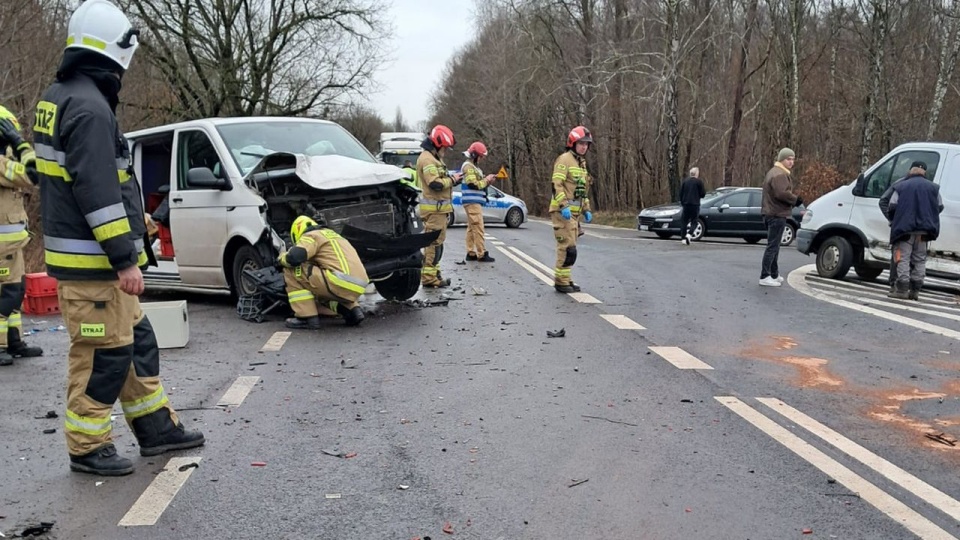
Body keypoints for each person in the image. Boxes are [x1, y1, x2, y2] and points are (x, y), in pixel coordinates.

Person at [34, 0, 204, 476]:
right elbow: (98, 194)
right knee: (102, 355)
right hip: (95, 268)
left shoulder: (64, 96)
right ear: (114, 51)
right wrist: (125, 257)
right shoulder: (88, 108)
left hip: (94, 264)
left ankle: (155, 428)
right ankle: (87, 446)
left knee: (136, 341)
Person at [0, 106, 44, 366]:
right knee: (6, 294)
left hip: (11, 243)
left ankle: (13, 339)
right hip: (2, 245)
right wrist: (21, 145)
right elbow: (32, 173)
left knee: (15, 292)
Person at [279, 216, 368, 328]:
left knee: (292, 269)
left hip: (338, 281)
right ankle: (353, 311)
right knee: (319, 290)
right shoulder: (334, 235)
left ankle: (306, 317)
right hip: (359, 285)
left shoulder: (311, 236)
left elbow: (295, 257)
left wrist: (282, 257)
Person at [882, 161, 944, 300]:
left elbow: (891, 206)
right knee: (920, 259)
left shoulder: (900, 186)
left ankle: (902, 289)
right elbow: (939, 206)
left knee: (902, 258)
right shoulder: (933, 188)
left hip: (904, 230)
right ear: (924, 173)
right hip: (924, 231)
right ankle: (915, 290)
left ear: (911, 170)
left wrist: (894, 221)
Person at [417, 125, 462, 288]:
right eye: (445, 147)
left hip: (439, 210)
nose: (446, 150)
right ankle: (429, 277)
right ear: (437, 144)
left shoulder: (434, 158)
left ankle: (434, 274)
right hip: (434, 211)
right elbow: (435, 183)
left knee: (438, 244)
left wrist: (452, 178)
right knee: (433, 244)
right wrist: (453, 181)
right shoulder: (428, 159)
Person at [550, 126, 594, 293]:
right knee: (567, 247)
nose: (584, 147)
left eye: (586, 144)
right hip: (563, 212)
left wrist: (586, 209)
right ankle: (561, 282)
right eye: (581, 143)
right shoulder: (564, 159)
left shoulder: (581, 163)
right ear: (572, 143)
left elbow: (582, 191)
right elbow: (557, 185)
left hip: (574, 214)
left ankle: (566, 279)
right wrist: (563, 206)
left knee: (571, 248)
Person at [759, 148, 802, 287]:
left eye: (793, 159)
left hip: (770, 212)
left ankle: (774, 273)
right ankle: (765, 275)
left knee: (775, 246)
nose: (791, 162)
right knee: (772, 246)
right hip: (776, 214)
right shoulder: (780, 174)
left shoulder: (774, 172)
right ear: (781, 159)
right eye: (788, 159)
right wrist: (796, 200)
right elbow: (781, 194)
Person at [461, 141, 498, 262]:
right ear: (474, 155)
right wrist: (486, 180)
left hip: (473, 201)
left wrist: (487, 181)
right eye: (481, 156)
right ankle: (481, 253)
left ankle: (471, 252)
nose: (482, 159)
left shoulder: (473, 167)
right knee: (478, 226)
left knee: (472, 227)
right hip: (471, 201)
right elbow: (473, 184)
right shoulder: (468, 167)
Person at [878, 171, 911, 293]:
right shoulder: (901, 184)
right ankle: (897, 283)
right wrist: (892, 219)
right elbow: (884, 202)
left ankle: (897, 283)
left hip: (902, 226)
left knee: (900, 254)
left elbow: (884, 201)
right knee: (905, 256)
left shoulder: (900, 184)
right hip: (913, 227)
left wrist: (893, 220)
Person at [678, 167, 706, 245]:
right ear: (696, 173)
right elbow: (703, 194)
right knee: (694, 221)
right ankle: (689, 234)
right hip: (695, 204)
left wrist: (682, 202)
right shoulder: (699, 182)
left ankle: (683, 238)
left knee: (684, 221)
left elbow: (681, 193)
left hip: (686, 204)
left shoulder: (685, 182)